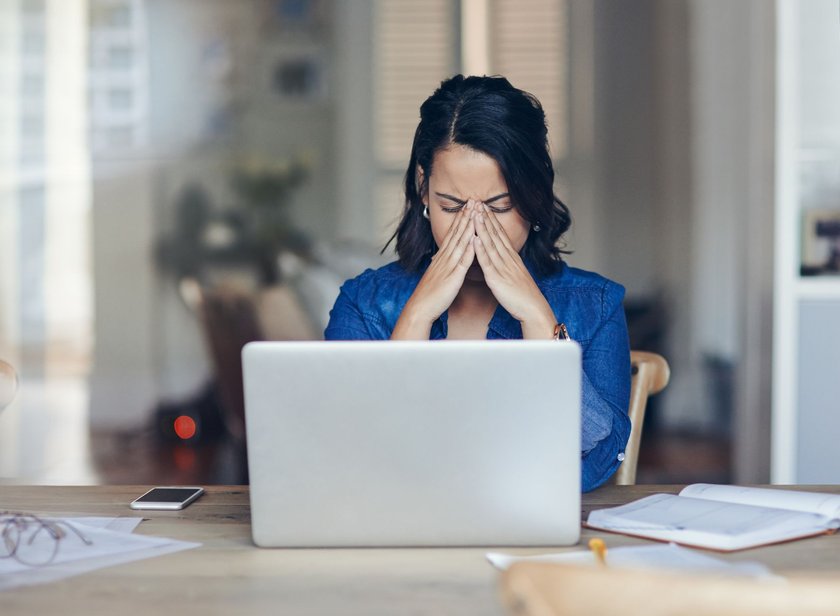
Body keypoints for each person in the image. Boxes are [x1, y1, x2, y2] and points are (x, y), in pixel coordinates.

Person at [325, 75, 630, 492]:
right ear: (424, 190)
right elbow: (349, 456)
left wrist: (537, 319)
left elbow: (592, 459)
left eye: (499, 206)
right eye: (452, 206)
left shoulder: (595, 305)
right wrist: (415, 318)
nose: (473, 230)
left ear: (533, 195)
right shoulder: (363, 304)